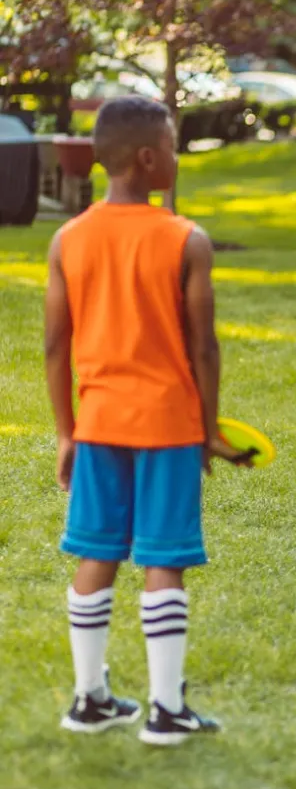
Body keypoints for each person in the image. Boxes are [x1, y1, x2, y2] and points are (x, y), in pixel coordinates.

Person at [44, 96, 236, 745]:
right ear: (150, 158)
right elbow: (204, 346)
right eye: (176, 145)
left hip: (98, 425)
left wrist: (68, 430)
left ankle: (89, 698)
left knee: (96, 554)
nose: (178, 157)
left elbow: (54, 346)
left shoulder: (68, 239)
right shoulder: (186, 239)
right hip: (168, 426)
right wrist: (208, 429)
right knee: (164, 558)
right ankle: (164, 709)